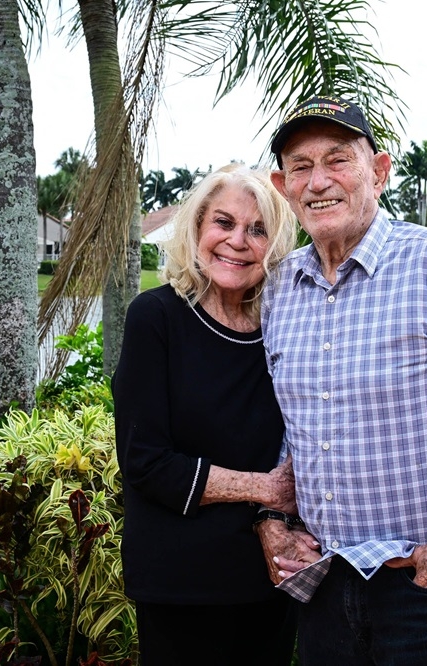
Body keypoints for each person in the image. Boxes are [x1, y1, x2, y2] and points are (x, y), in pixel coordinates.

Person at [255, 95, 427, 665]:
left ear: (379, 172)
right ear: (283, 185)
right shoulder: (280, 285)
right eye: (301, 167)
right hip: (326, 583)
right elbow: (294, 426)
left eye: (338, 160)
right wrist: (274, 519)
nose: (318, 182)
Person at [111, 164, 299, 665]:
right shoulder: (156, 317)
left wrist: (277, 516)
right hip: (181, 583)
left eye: (258, 229)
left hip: (270, 578)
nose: (238, 241)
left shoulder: (282, 328)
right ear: (196, 229)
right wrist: (263, 488)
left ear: (275, 246)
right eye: (223, 222)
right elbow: (144, 461)